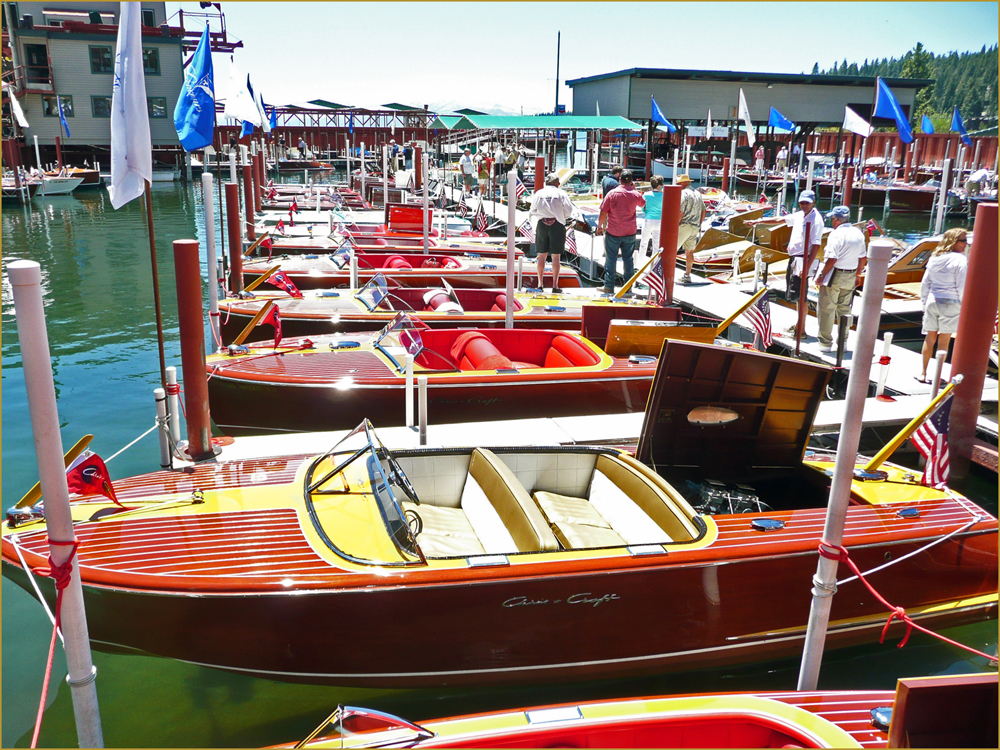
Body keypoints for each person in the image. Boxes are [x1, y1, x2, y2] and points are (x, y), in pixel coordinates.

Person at [747, 189, 824, 303]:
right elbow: (780, 219)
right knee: (793, 292)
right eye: (801, 203)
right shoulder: (800, 215)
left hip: (803, 259)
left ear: (813, 202)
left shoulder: (816, 220)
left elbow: (816, 246)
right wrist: (758, 221)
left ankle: (801, 315)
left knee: (800, 295)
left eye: (807, 203)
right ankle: (798, 314)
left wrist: (806, 267)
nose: (804, 205)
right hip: (794, 258)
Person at [917, 228, 968, 383]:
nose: (966, 244)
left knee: (929, 338)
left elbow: (925, 283)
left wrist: (924, 303)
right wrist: (963, 305)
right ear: (954, 241)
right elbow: (961, 285)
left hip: (932, 301)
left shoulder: (934, 258)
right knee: (944, 341)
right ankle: (937, 377)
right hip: (951, 302)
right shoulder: (960, 259)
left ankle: (923, 373)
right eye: (963, 241)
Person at [814, 205, 867, 352]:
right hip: (851, 274)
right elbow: (863, 258)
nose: (832, 221)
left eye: (832, 219)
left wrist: (821, 275)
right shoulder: (858, 233)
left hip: (835, 274)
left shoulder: (835, 234)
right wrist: (858, 274)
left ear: (836, 220)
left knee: (827, 308)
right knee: (845, 309)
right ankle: (843, 343)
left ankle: (825, 343)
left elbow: (832, 259)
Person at [596, 169, 646, 294]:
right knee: (628, 260)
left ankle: (609, 286)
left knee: (611, 259)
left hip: (613, 231)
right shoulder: (635, 194)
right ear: (631, 181)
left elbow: (603, 211)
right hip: (630, 231)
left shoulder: (612, 193)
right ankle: (628, 287)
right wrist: (633, 189)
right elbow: (643, 204)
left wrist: (599, 226)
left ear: (620, 180)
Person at [528, 172, 575, 292]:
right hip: (557, 225)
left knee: (541, 256)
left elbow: (532, 210)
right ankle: (555, 285)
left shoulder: (539, 193)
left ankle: (540, 284)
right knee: (556, 257)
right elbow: (569, 210)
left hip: (542, 224)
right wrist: (561, 216)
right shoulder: (561, 193)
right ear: (557, 183)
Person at [678, 174, 706, 283]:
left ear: (683, 183)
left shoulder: (683, 193)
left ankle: (666, 275)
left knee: (671, 250)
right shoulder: (698, 193)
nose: (677, 185)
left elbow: (681, 211)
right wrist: (699, 224)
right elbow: (704, 211)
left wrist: (675, 224)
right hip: (695, 226)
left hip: (684, 225)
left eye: (678, 183)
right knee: (689, 252)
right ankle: (687, 275)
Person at [639, 175, 664, 257]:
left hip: (648, 220)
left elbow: (643, 208)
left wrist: (646, 212)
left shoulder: (646, 195)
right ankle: (654, 262)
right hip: (659, 221)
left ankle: (640, 261)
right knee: (656, 244)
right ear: (660, 185)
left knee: (643, 243)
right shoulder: (663, 195)